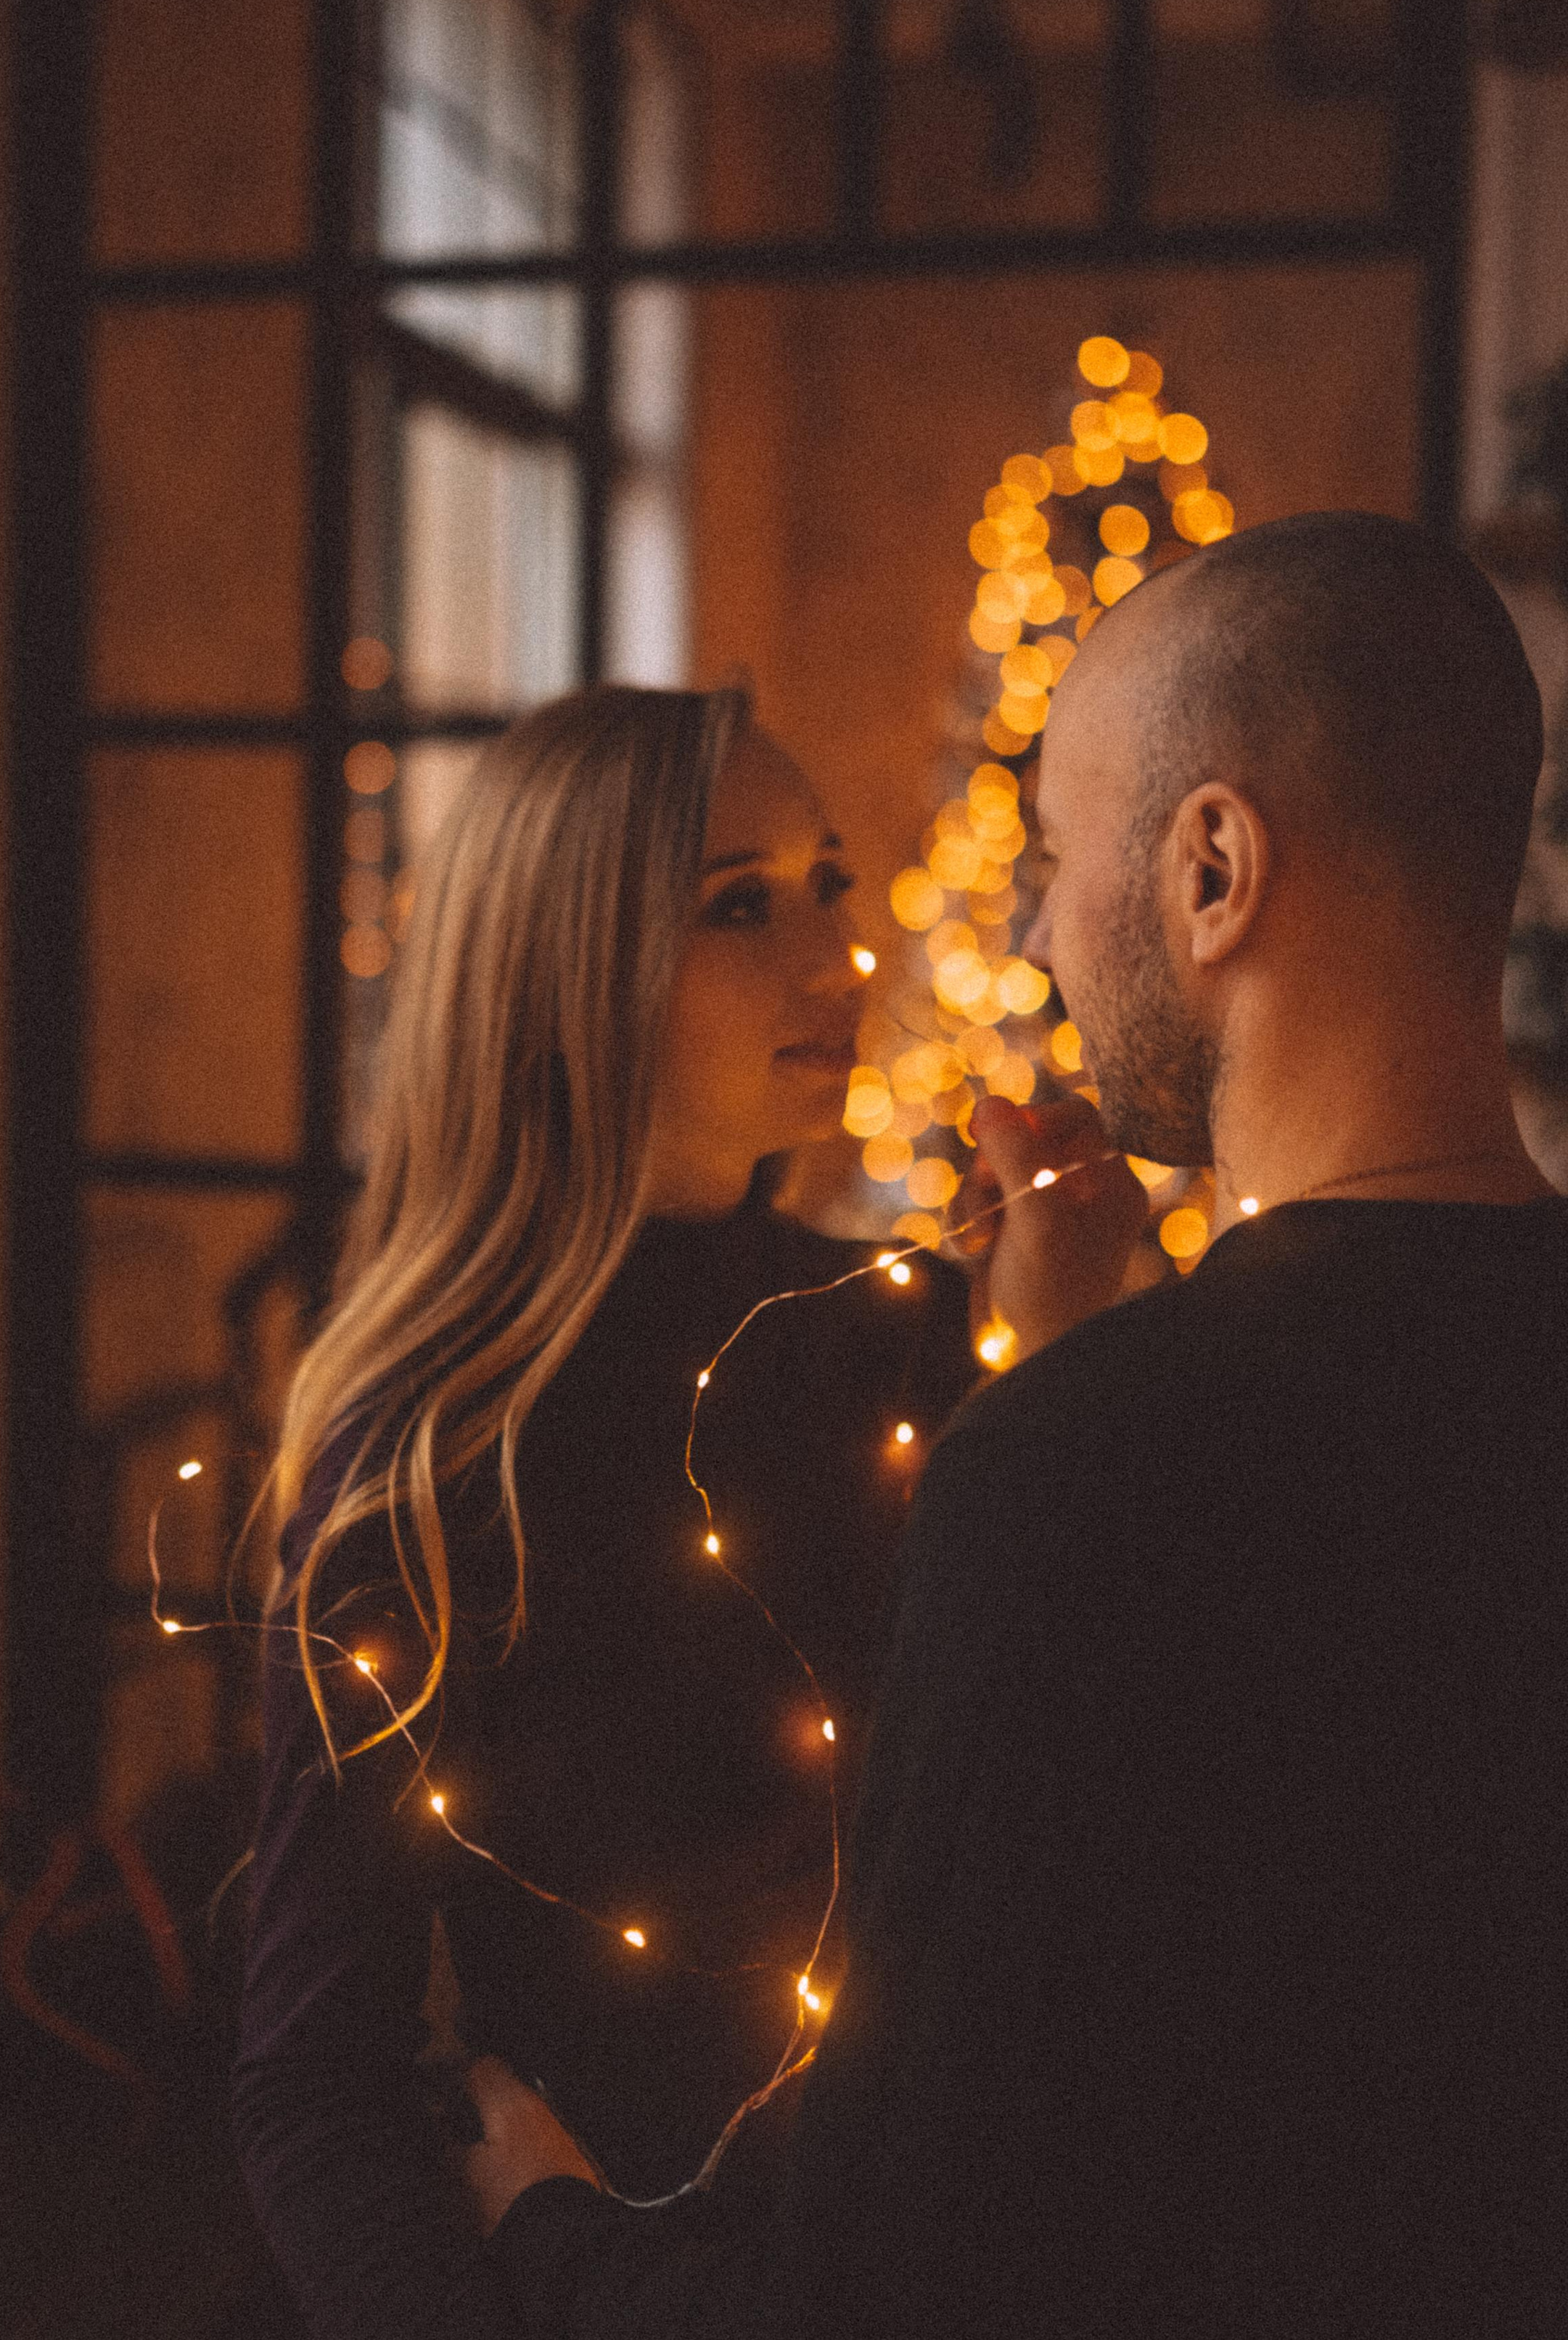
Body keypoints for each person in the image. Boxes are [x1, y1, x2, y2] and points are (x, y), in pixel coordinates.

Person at [470, 511, 1568, 2339]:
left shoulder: (1080, 1473)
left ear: (1210, 868)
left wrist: (557, 2242)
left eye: (1057, 850)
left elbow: (903, 2267)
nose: (1039, 928)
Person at [231, 682, 1142, 2340]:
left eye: (828, 882)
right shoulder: (440, 1451)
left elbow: (1075, 1817)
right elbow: (318, 2085)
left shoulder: (909, 1342)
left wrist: (1074, 1364)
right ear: (563, 972)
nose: (837, 954)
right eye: (739, 904)